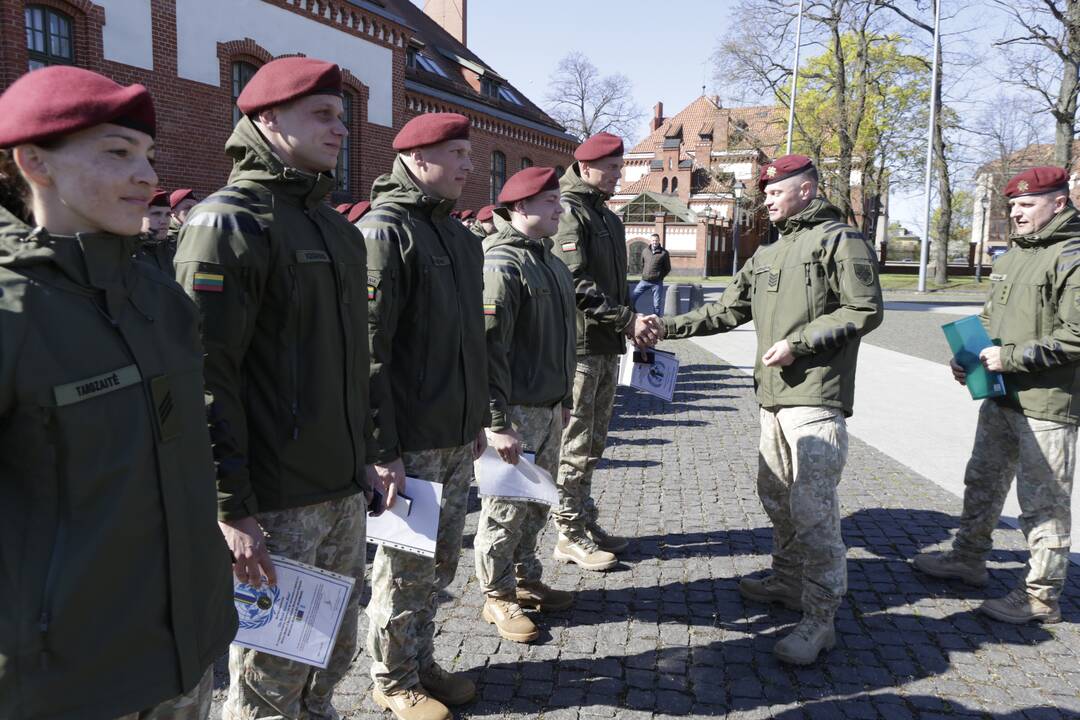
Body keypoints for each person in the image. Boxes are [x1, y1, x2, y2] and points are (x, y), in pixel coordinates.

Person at [0, 65, 236, 720]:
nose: (148, 177)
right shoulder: (12, 311)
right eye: (117, 152)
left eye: (149, 157)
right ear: (34, 163)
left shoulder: (158, 297)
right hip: (69, 676)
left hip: (185, 650)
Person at [174, 56, 375, 720]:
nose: (339, 128)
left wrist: (368, 455)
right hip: (275, 500)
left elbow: (350, 365)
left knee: (333, 653)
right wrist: (231, 508)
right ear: (265, 118)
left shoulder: (336, 229)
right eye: (321, 114)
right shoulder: (230, 221)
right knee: (269, 676)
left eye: (342, 116)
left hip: (341, 489)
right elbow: (202, 377)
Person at [643, 155, 883, 665]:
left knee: (813, 509)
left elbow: (864, 308)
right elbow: (726, 310)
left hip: (815, 396)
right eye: (766, 191)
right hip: (771, 397)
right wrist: (667, 327)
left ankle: (820, 618)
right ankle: (789, 580)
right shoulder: (770, 252)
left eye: (775, 191)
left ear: (807, 189)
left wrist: (800, 343)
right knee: (773, 492)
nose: (767, 199)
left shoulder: (841, 239)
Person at [358, 112, 488, 720]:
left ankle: (419, 659)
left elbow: (471, 342)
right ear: (416, 157)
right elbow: (369, 352)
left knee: (439, 565)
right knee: (404, 570)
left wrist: (479, 418)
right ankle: (392, 676)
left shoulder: (459, 237)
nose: (469, 164)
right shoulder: (387, 233)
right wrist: (383, 449)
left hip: (455, 434)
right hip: (410, 443)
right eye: (456, 153)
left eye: (469, 152)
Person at [913, 166, 1079, 625]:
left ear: (1058, 203)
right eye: (1013, 205)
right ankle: (968, 558)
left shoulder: (1074, 255)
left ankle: (1042, 597)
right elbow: (991, 321)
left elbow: (1077, 336)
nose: (1016, 212)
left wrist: (1012, 358)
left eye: (1027, 204)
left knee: (1043, 502)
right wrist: (967, 358)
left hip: (1049, 404)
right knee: (982, 481)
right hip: (1001, 396)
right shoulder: (1012, 257)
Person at [473, 167, 577, 644]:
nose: (560, 208)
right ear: (519, 207)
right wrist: (497, 422)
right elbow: (488, 348)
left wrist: (565, 399)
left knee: (537, 504)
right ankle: (497, 596)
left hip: (548, 407)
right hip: (514, 413)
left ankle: (526, 578)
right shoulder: (502, 263)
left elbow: (564, 342)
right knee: (504, 511)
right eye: (551, 200)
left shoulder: (551, 262)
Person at [551, 131, 656, 570]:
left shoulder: (609, 219)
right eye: (612, 169)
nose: (619, 176)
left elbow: (617, 286)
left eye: (621, 167)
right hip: (579, 348)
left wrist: (633, 320)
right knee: (574, 445)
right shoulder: (568, 212)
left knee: (593, 443)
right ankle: (567, 532)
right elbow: (576, 284)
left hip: (606, 345)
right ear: (587, 167)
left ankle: (584, 520)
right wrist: (626, 320)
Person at [630, 233, 671, 315]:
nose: (654, 242)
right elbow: (642, 264)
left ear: (659, 241)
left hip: (657, 283)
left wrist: (659, 276)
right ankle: (632, 314)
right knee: (632, 298)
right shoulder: (645, 251)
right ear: (650, 241)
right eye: (653, 240)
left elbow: (667, 268)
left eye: (656, 240)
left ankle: (656, 321)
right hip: (644, 281)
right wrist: (645, 273)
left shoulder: (664, 253)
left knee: (657, 305)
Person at [135, 188, 175, 272]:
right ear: (139, 215)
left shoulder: (174, 250)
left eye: (168, 214)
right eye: (156, 214)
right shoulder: (128, 251)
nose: (164, 221)